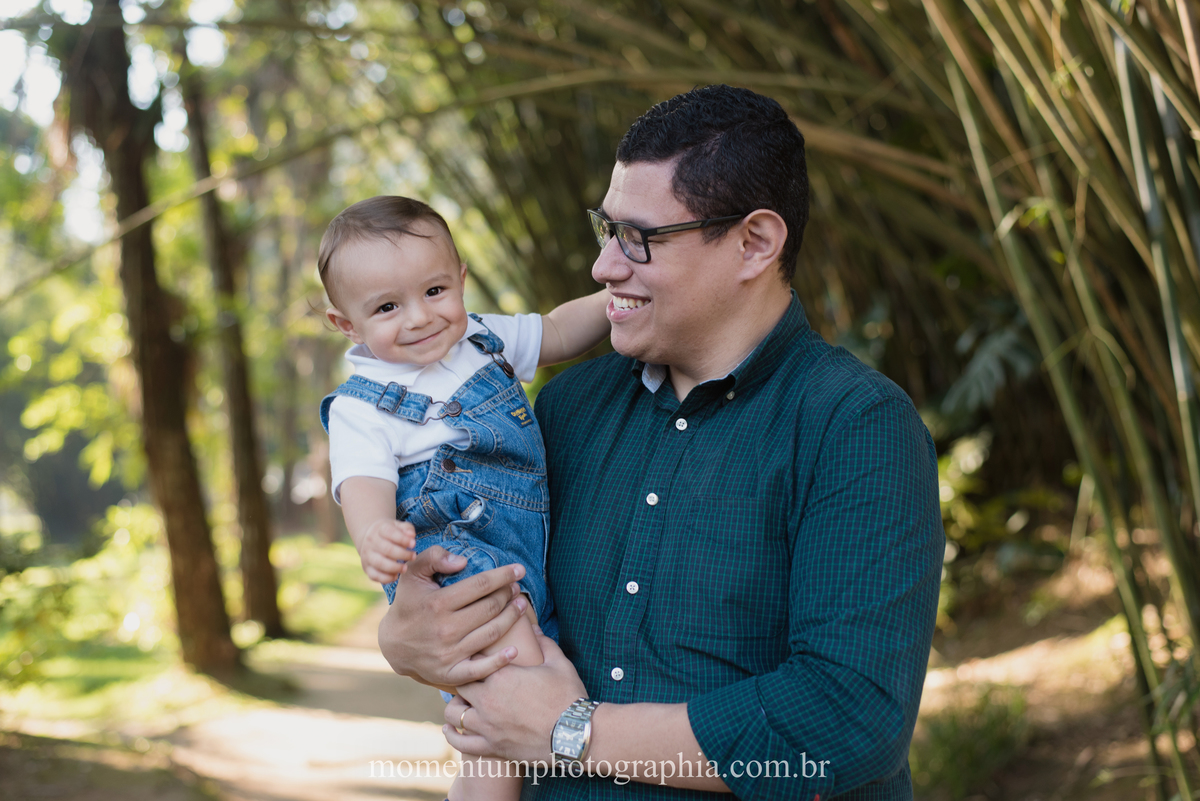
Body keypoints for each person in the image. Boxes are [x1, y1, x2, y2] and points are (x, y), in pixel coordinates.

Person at [375, 86, 944, 799]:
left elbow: (845, 717)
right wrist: (404, 637)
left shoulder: (855, 425)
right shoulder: (565, 409)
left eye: (639, 238)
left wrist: (572, 730)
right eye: (605, 230)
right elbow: (477, 595)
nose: (604, 266)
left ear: (755, 242)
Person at [316, 195, 610, 801]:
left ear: (461, 281)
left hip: (523, 551)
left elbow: (555, 330)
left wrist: (618, 300)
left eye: (435, 291)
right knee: (510, 694)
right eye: (388, 307)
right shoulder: (362, 404)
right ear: (347, 323)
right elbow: (363, 482)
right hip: (455, 557)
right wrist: (373, 534)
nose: (421, 317)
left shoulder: (481, 338)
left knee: (505, 692)